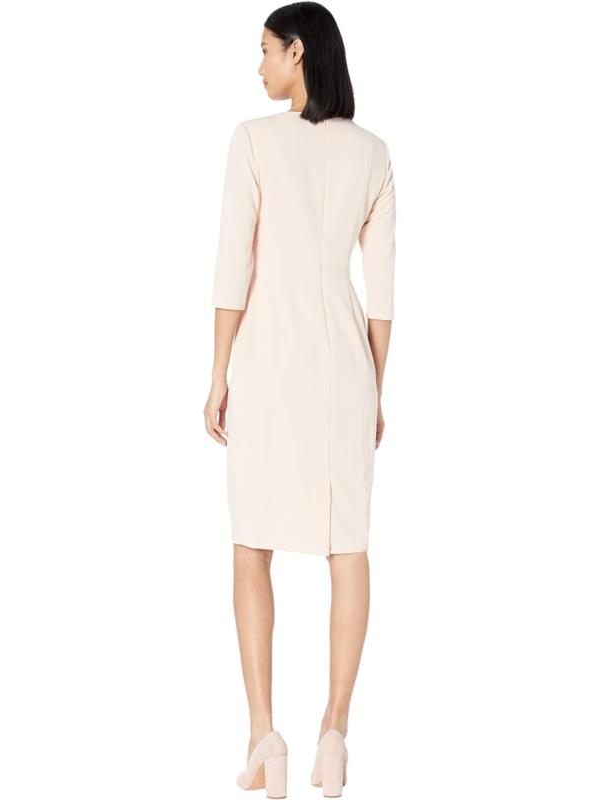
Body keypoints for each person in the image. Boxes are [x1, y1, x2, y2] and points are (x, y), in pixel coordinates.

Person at [203, 3, 395, 796]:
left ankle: (264, 736)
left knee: (253, 544)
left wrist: (217, 373)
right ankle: (335, 732)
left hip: (269, 359)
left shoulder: (253, 140)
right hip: (346, 363)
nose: (258, 68)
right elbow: (382, 295)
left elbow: (233, 267)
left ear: (298, 51)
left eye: (265, 51)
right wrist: (374, 389)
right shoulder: (373, 153)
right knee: (347, 547)